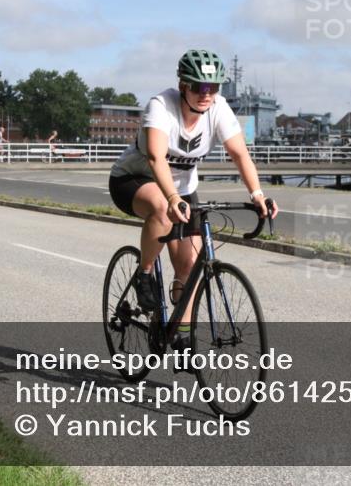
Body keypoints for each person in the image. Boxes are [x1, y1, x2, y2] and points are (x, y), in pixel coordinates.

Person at [108, 49, 279, 350]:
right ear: (183, 85)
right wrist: (172, 197)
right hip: (135, 179)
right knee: (161, 209)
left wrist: (257, 195)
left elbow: (239, 154)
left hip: (183, 189)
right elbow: (155, 157)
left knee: (189, 264)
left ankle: (180, 331)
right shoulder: (160, 106)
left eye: (214, 87)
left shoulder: (218, 109)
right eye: (199, 86)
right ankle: (144, 274)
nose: (206, 94)